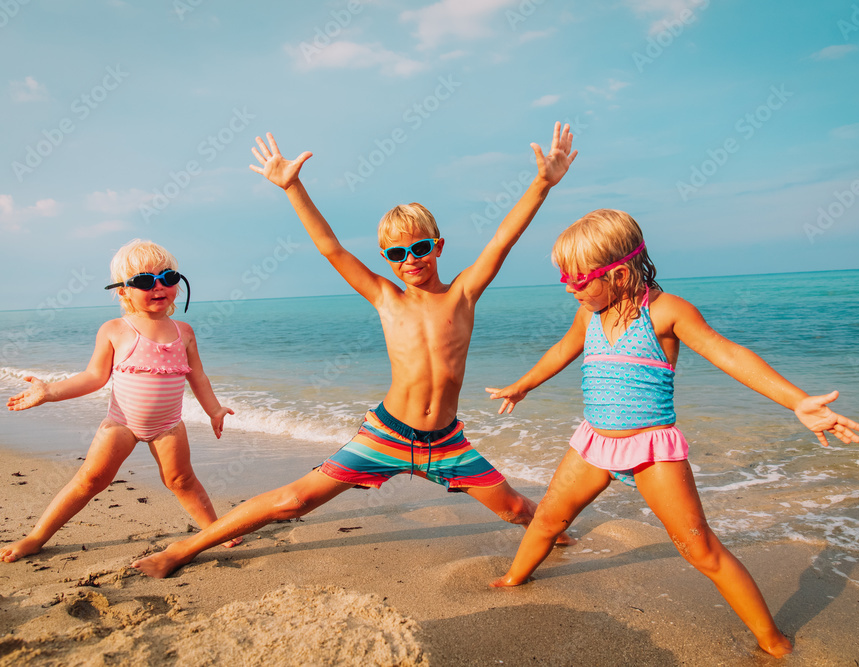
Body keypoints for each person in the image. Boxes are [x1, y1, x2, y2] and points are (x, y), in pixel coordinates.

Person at [131, 123, 578, 578]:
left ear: (438, 246)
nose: (411, 259)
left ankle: (570, 542)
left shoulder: (462, 294)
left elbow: (503, 239)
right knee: (293, 501)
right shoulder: (386, 297)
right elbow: (331, 247)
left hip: (445, 443)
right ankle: (183, 550)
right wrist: (293, 187)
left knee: (518, 509)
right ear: (387, 259)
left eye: (421, 247)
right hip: (387, 433)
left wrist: (542, 183)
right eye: (397, 253)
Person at [485, 209, 859, 658]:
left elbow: (728, 353)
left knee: (699, 549)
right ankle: (514, 579)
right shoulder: (589, 315)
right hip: (593, 442)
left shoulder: (666, 313)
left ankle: (774, 641)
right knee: (548, 518)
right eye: (564, 277)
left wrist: (797, 400)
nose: (569, 287)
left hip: (651, 450)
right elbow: (563, 350)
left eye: (578, 278)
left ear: (620, 273)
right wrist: (524, 384)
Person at [0, 239, 240, 562]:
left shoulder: (184, 331)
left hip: (168, 426)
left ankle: (213, 530)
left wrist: (214, 409)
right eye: (143, 281)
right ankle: (36, 536)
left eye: (168, 278)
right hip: (121, 424)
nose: (158, 286)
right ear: (123, 291)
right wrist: (50, 392)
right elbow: (93, 377)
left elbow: (197, 376)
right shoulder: (115, 329)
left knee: (181, 480)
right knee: (90, 480)